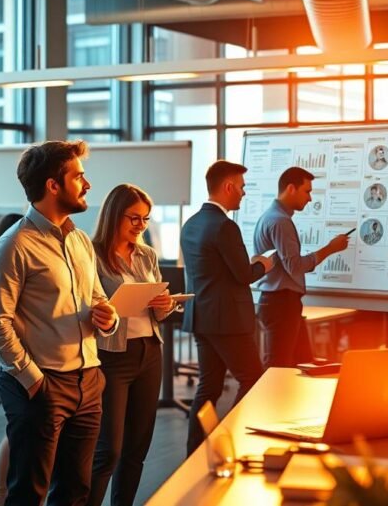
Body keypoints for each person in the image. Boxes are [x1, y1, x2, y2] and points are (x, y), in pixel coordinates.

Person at [0, 140, 119, 506]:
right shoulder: (14, 245)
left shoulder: (80, 241)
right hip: (42, 383)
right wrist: (33, 379)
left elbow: (98, 299)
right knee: (29, 493)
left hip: (88, 379)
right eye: (79, 177)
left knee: (76, 492)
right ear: (52, 185)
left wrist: (109, 317)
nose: (87, 185)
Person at [88, 184, 175, 506]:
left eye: (145, 219)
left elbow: (159, 313)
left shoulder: (146, 254)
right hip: (112, 355)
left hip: (149, 352)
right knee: (108, 448)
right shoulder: (92, 255)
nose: (140, 225)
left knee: (138, 447)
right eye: (134, 218)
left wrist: (164, 304)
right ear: (114, 215)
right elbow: (88, 304)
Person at [181, 160, 275, 456]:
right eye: (242, 187)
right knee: (253, 379)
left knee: (208, 388)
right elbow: (243, 275)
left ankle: (195, 452)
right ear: (228, 187)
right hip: (228, 321)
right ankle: (226, 440)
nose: (244, 193)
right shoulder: (225, 226)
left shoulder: (191, 224)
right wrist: (264, 264)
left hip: (201, 317)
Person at [253, 167, 349, 368]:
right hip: (281, 303)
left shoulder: (272, 217)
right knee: (278, 367)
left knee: (300, 362)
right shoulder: (280, 221)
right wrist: (330, 249)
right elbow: (295, 266)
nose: (310, 198)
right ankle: (268, 400)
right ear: (291, 189)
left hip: (281, 302)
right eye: (307, 191)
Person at [0, 212, 24, 506]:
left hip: (8, 345)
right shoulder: (6, 257)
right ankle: (0, 493)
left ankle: (2, 492)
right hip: (6, 345)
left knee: (18, 424)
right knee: (16, 424)